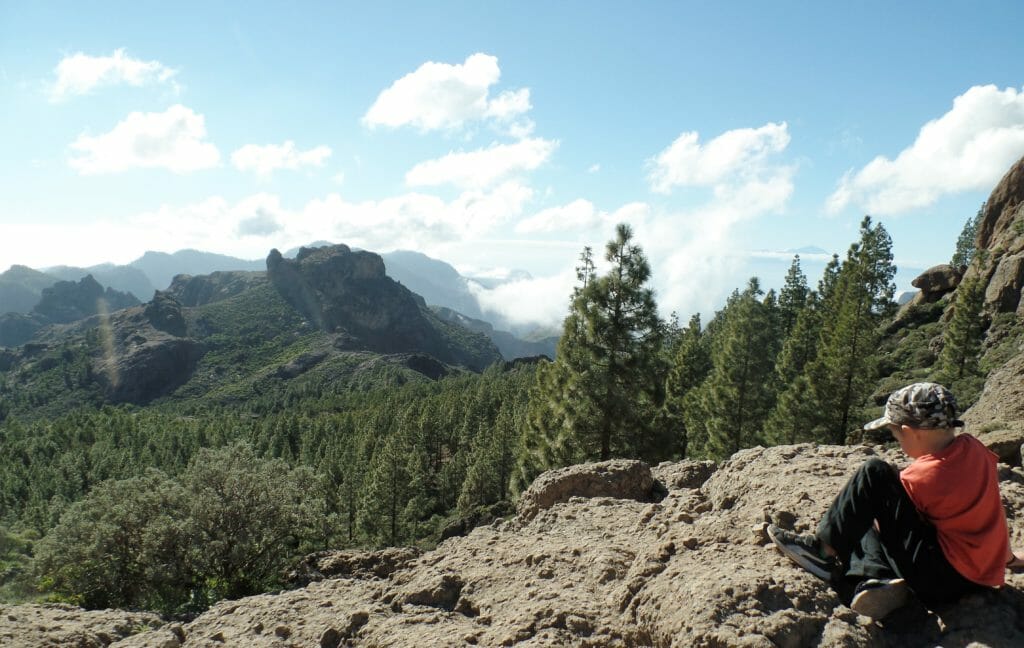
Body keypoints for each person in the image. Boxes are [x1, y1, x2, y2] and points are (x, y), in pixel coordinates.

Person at [767, 382, 1024, 619]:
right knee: (872, 507)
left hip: (939, 581)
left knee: (873, 479)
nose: (899, 444)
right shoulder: (975, 450)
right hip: (978, 577)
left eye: (897, 437)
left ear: (908, 431)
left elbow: (883, 524)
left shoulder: (920, 477)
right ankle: (876, 582)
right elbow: (989, 510)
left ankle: (822, 552)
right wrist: (1007, 557)